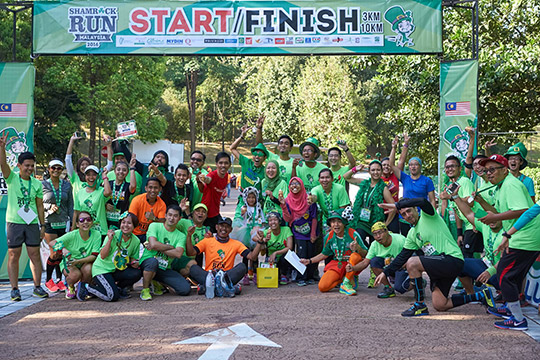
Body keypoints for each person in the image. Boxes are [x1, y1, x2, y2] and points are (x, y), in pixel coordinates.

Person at [376, 198, 495, 317]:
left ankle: (419, 305)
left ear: (415, 210)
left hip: (452, 259)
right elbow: (402, 256)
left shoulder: (428, 215)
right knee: (440, 305)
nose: (408, 215)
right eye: (403, 214)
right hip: (439, 267)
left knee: (412, 262)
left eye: (409, 211)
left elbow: (422, 201)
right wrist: (385, 272)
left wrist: (398, 205)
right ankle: (481, 296)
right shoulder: (412, 234)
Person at [473, 154, 540, 330]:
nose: (488, 174)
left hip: (525, 237)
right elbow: (501, 212)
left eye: (492, 169)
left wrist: (500, 224)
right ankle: (511, 310)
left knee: (504, 275)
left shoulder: (511, 185)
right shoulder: (502, 186)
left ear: (505, 170)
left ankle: (518, 319)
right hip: (521, 236)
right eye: (486, 170)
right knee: (511, 274)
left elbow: (523, 210)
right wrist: (483, 204)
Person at [0, 133, 48, 301]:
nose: (29, 168)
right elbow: (3, 164)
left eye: (32, 166)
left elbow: (40, 205)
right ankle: (14, 289)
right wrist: (2, 147)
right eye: (26, 165)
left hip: (32, 222)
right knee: (14, 255)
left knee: (34, 254)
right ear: (19, 166)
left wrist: (43, 225)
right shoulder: (12, 178)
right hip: (14, 222)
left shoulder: (36, 183)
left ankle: (37, 286)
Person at [186, 217, 265, 297]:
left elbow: (252, 257)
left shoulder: (236, 244)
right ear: (216, 227)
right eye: (221, 226)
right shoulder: (207, 241)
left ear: (231, 229)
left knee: (242, 267)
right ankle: (227, 287)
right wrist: (189, 236)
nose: (224, 228)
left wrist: (260, 242)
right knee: (193, 268)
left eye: (227, 226)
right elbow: (191, 253)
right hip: (210, 276)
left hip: (226, 275)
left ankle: (209, 287)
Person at [300, 208, 367, 296]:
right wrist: (309, 261)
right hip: (338, 263)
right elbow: (324, 254)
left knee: (355, 256)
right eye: (333, 222)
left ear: (344, 223)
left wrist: (358, 247)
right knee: (323, 287)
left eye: (339, 221)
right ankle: (345, 278)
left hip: (352, 263)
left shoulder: (353, 233)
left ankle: (347, 283)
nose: (336, 224)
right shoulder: (329, 236)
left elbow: (366, 254)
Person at [80, 212, 142, 301]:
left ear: (134, 226)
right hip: (102, 269)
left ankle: (117, 288)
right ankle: (86, 287)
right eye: (123, 222)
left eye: (129, 223)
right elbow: (102, 256)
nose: (126, 225)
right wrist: (109, 240)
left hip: (116, 270)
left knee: (136, 273)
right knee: (112, 296)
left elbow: (133, 258)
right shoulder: (114, 234)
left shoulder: (136, 240)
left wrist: (135, 262)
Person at [450, 187, 503, 293]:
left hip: (500, 271)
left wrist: (490, 271)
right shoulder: (486, 222)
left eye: (495, 216)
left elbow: (507, 259)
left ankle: (505, 295)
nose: (491, 219)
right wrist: (456, 197)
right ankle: (472, 293)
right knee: (459, 263)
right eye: (488, 216)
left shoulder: (508, 230)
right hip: (486, 264)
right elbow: (468, 213)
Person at [139, 205, 191, 300]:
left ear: (180, 218)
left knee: (185, 289)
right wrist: (170, 247)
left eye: (175, 216)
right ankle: (145, 290)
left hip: (165, 267)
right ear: (165, 215)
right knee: (152, 263)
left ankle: (157, 281)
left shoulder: (181, 236)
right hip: (148, 262)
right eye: (170, 215)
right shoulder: (154, 226)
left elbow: (178, 254)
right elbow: (153, 244)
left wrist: (158, 246)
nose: (172, 218)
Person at [346, 222, 410, 299]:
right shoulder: (374, 244)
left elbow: (412, 255)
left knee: (400, 288)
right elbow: (365, 262)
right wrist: (353, 268)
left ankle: (417, 282)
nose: (378, 236)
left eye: (380, 233)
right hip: (389, 268)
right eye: (375, 234)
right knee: (374, 261)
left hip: (403, 267)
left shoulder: (400, 239)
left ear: (386, 231)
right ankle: (388, 288)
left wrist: (406, 266)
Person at [50, 211, 101, 300]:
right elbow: (52, 242)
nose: (85, 222)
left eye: (88, 219)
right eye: (82, 220)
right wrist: (63, 249)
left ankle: (82, 287)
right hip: (70, 263)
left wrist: (78, 261)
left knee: (89, 269)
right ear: (77, 224)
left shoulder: (96, 234)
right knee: (75, 275)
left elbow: (94, 256)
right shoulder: (72, 235)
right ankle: (70, 286)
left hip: (84, 262)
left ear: (92, 222)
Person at [439, 155, 482, 259]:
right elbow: (457, 211)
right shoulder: (452, 186)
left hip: (476, 222)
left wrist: (451, 197)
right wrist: (459, 234)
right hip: (467, 226)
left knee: (468, 257)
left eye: (453, 166)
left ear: (460, 168)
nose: (450, 169)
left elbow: (470, 202)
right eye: (447, 167)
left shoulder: (465, 181)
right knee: (466, 255)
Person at [345, 160, 395, 247]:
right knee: (358, 239)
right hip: (361, 222)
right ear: (369, 171)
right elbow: (346, 177)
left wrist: (386, 225)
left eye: (378, 170)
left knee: (374, 247)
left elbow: (393, 207)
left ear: (382, 171)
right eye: (373, 170)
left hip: (375, 223)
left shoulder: (383, 188)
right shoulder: (363, 182)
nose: (376, 172)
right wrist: (355, 169)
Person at [279, 177, 319, 285]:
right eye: (292, 184)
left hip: (310, 232)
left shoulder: (309, 200)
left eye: (297, 183)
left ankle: (310, 276)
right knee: (301, 254)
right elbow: (287, 219)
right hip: (298, 233)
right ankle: (301, 277)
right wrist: (283, 205)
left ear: (301, 185)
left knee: (311, 253)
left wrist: (313, 233)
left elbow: (314, 217)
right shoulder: (287, 200)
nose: (294, 186)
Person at [42, 159, 73, 293]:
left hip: (63, 222)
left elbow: (70, 205)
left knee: (61, 253)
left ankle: (59, 279)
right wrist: (49, 206)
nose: (56, 170)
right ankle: (48, 279)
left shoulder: (66, 185)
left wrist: (72, 222)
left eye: (59, 168)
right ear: (49, 169)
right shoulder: (42, 185)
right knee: (54, 253)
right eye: (53, 168)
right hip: (49, 222)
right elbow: (38, 203)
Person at [389, 148, 436, 235]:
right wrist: (394, 147)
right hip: (405, 217)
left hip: (421, 217)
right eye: (411, 165)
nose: (413, 167)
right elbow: (391, 165)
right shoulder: (405, 178)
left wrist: (432, 216)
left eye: (416, 164)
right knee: (407, 241)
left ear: (420, 166)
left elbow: (432, 200)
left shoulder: (427, 181)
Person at [231, 187, 266, 285]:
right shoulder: (243, 208)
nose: (251, 200)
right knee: (246, 255)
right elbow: (240, 219)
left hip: (255, 232)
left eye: (253, 197)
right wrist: (243, 216)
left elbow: (261, 219)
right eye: (249, 197)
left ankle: (255, 273)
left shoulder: (258, 207)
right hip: (245, 234)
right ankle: (245, 274)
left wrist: (260, 228)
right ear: (245, 198)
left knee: (255, 255)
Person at [73, 165, 112, 237]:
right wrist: (73, 230)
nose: (91, 177)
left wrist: (104, 177)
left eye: (94, 175)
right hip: (85, 231)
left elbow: (108, 192)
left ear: (98, 176)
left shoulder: (101, 191)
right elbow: (76, 212)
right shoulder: (80, 193)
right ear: (85, 176)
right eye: (88, 175)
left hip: (100, 231)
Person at [255, 212, 293, 285]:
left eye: (275, 220)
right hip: (271, 259)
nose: (273, 222)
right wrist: (263, 240)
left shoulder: (286, 230)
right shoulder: (266, 232)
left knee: (285, 256)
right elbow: (255, 238)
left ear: (279, 221)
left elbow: (290, 247)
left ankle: (284, 275)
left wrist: (276, 253)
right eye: (270, 220)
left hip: (283, 258)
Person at [197, 151, 231, 232]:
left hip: (215, 213)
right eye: (220, 163)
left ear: (229, 165)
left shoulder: (226, 175)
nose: (223, 165)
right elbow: (208, 179)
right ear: (216, 164)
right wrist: (204, 179)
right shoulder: (212, 175)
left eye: (226, 163)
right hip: (205, 214)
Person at [255, 116, 295, 183]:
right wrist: (259, 128)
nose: (283, 145)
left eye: (286, 143)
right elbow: (259, 145)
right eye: (281, 143)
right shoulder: (272, 158)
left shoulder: (294, 163)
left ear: (291, 148)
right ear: (278, 147)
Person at [230, 124, 268, 193]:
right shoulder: (246, 162)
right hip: (243, 200)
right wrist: (242, 136)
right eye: (255, 154)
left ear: (265, 158)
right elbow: (232, 148)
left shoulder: (265, 172)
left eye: (260, 155)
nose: (257, 156)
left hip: (257, 202)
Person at [129, 177, 166, 243]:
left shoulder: (162, 204)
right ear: (145, 188)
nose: (153, 190)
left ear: (160, 189)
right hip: (134, 233)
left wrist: (154, 218)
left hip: (150, 235)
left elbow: (163, 223)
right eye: (150, 187)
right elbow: (130, 219)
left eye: (155, 188)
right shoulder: (137, 200)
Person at [173, 203, 211, 269]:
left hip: (193, 259)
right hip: (179, 256)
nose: (200, 213)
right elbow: (170, 224)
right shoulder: (184, 222)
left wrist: (208, 241)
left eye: (203, 212)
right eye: (198, 211)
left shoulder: (206, 231)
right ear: (192, 213)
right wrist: (179, 210)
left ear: (206, 216)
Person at [383, 134, 408, 232]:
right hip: (380, 212)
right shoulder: (378, 178)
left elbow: (401, 161)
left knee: (394, 237)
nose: (386, 167)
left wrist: (404, 145)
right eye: (383, 165)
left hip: (394, 212)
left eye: (387, 165)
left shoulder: (395, 176)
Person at [105, 158, 137, 230]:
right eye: (118, 169)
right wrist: (105, 205)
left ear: (127, 172)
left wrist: (132, 168)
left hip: (121, 221)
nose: (121, 172)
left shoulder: (127, 186)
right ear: (114, 171)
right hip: (107, 219)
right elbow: (100, 198)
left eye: (124, 170)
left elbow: (133, 186)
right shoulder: (108, 184)